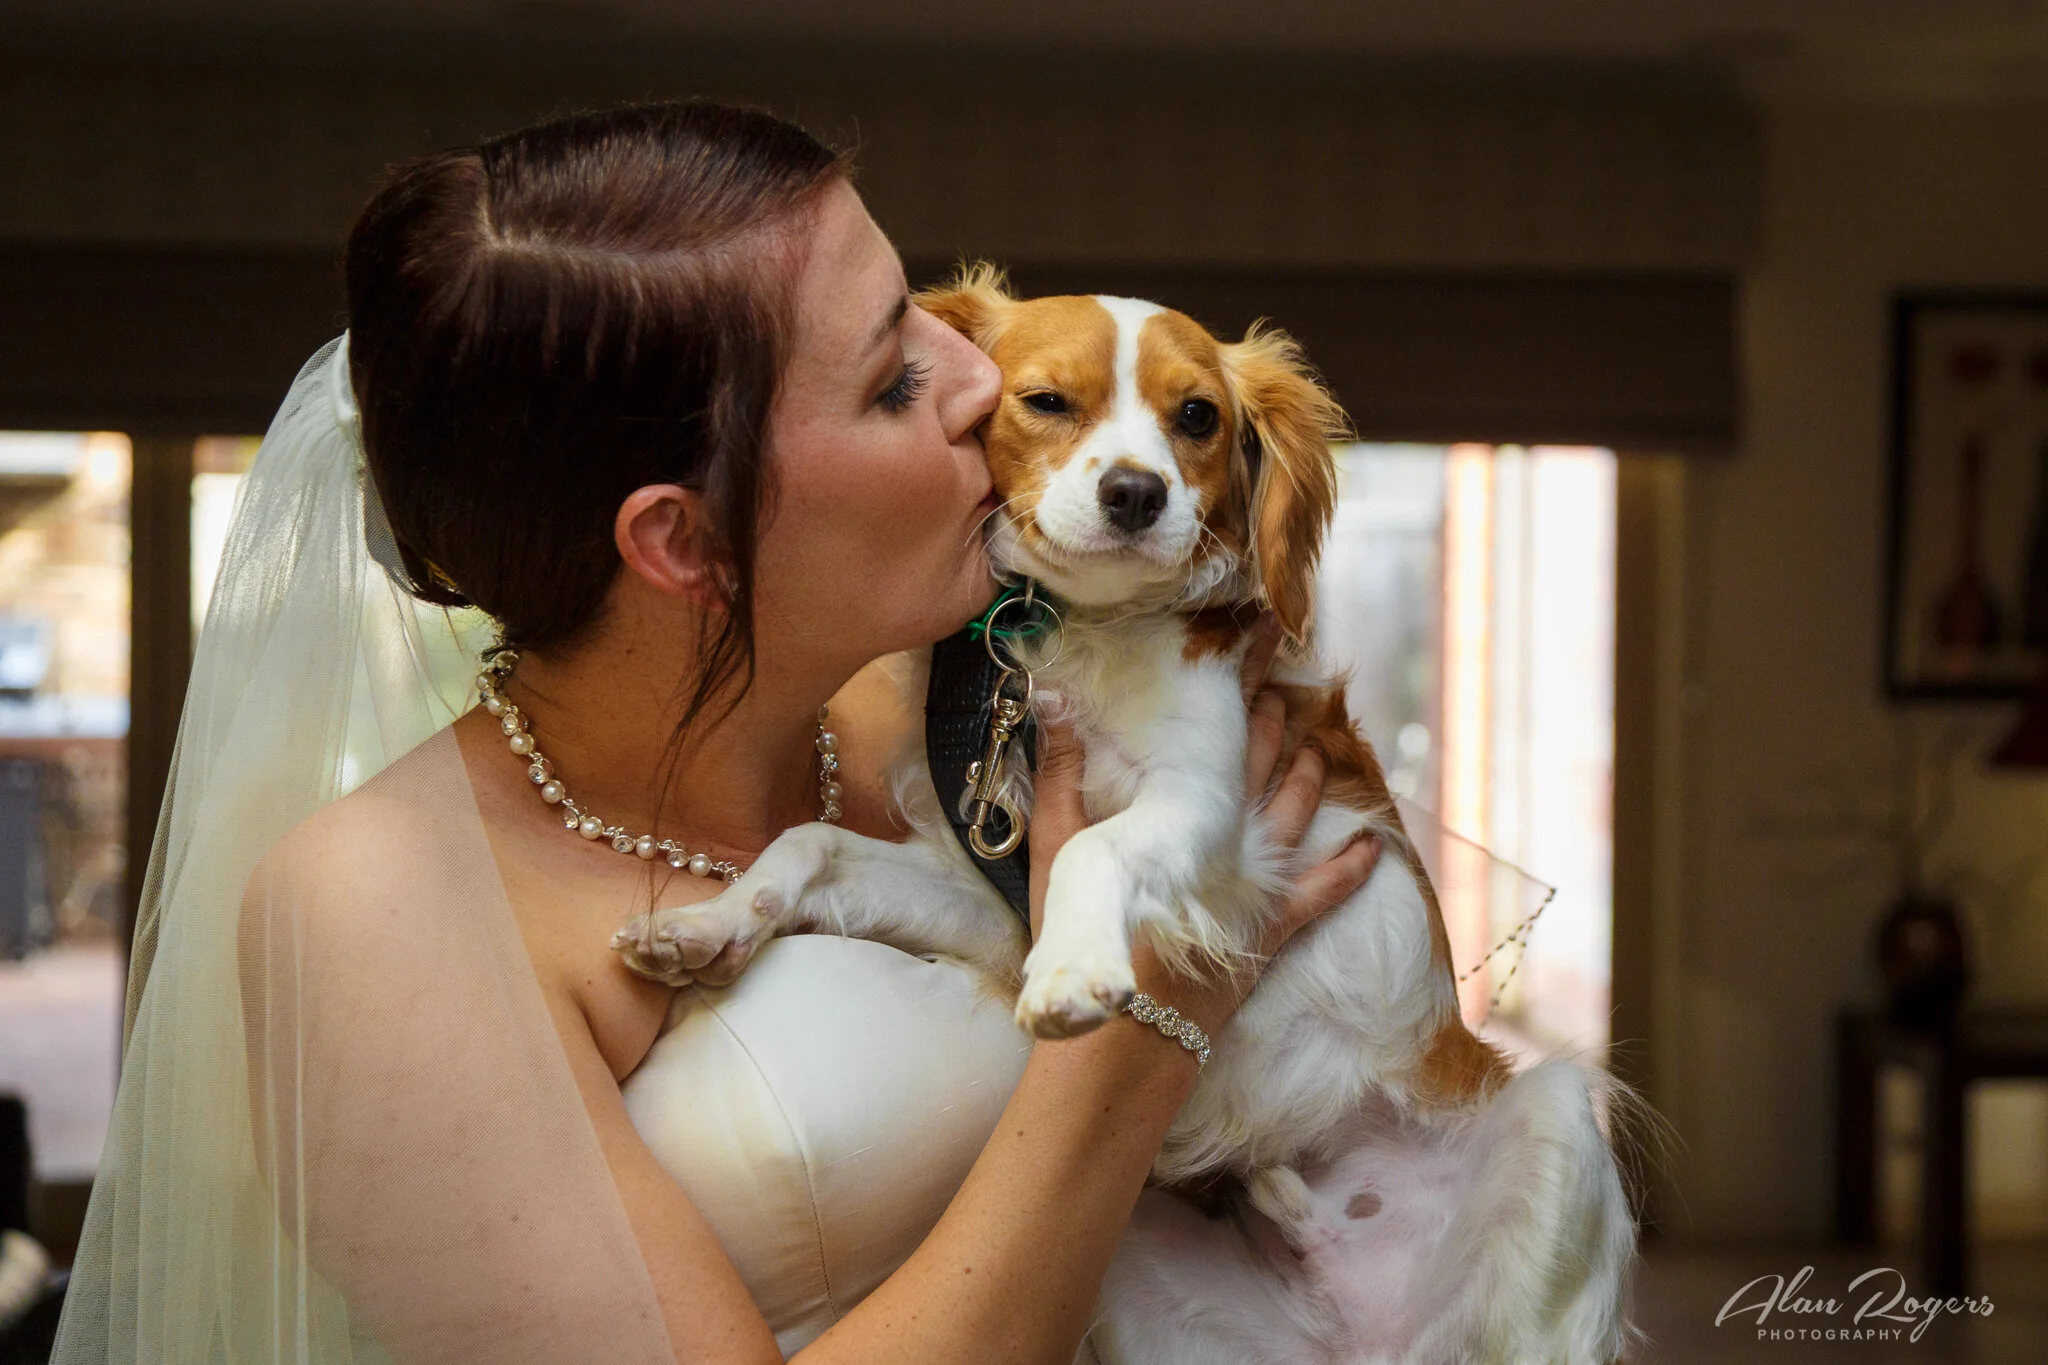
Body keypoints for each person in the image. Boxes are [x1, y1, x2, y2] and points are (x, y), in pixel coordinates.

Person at [52, 100, 1381, 1364]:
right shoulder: (371, 904)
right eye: (890, 375)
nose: (979, 373)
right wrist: (1145, 1037)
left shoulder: (973, 696)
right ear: (686, 541)